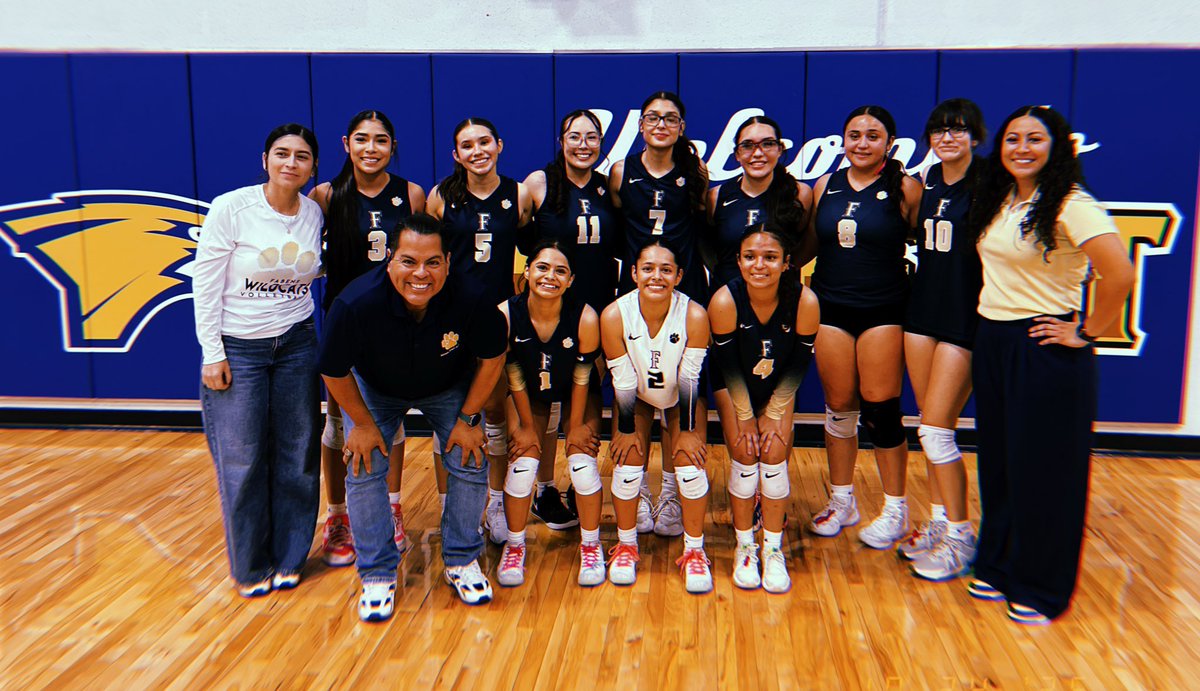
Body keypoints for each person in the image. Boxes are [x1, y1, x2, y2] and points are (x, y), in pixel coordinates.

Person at [965, 105, 1133, 625]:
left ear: (1058, 146)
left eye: (1034, 139)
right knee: (1000, 460)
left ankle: (1042, 587)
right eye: (1013, 138)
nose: (1021, 147)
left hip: (1043, 345)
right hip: (993, 337)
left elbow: (1120, 273)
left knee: (1046, 471)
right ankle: (997, 563)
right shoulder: (1004, 198)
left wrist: (1084, 332)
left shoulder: (1070, 202)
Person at [318, 213, 507, 619]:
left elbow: (493, 359)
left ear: (447, 262)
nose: (420, 274)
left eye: (432, 262)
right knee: (365, 465)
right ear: (389, 259)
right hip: (377, 391)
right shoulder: (356, 303)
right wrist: (363, 425)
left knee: (469, 455)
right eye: (408, 261)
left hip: (446, 387)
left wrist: (470, 418)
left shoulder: (472, 297)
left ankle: (460, 559)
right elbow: (333, 369)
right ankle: (377, 573)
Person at [193, 123, 323, 598]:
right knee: (243, 460)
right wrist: (213, 353)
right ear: (264, 159)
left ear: (313, 167)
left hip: (297, 342)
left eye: (302, 156)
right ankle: (250, 566)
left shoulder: (312, 213)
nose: (291, 163)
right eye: (282, 153)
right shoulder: (232, 208)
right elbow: (204, 284)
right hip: (239, 347)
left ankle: (291, 558)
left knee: (298, 454)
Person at [309, 110, 426, 566]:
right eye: (362, 139)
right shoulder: (325, 195)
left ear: (392, 146)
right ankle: (337, 515)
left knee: (390, 420)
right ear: (346, 144)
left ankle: (392, 507)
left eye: (380, 140)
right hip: (344, 323)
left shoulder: (410, 193)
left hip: (393, 322)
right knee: (340, 423)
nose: (371, 148)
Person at [806, 105, 922, 549]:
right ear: (843, 140)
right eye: (854, 134)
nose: (862, 143)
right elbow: (809, 244)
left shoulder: (905, 188)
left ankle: (895, 508)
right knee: (839, 408)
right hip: (832, 307)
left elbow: (928, 242)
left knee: (881, 410)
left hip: (883, 310)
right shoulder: (824, 186)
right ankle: (842, 500)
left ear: (889, 143)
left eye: (873, 136)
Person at [428, 117, 535, 546]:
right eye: (467, 145)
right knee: (450, 414)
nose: (477, 151)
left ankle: (492, 500)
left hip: (499, 318)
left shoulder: (519, 195)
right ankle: (448, 503)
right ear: (456, 155)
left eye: (484, 142)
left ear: (499, 144)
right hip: (451, 318)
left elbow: (531, 251)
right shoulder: (441, 197)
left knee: (493, 411)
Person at [609, 91, 709, 538]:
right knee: (635, 389)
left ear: (681, 127)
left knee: (679, 394)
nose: (661, 124)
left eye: (671, 118)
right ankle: (642, 490)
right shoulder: (621, 173)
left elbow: (704, 223)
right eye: (653, 117)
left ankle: (671, 489)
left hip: (682, 294)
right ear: (641, 124)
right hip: (638, 292)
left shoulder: (695, 174)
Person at [896, 99, 985, 581]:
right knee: (929, 429)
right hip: (922, 312)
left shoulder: (991, 181)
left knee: (937, 430)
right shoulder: (928, 182)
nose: (948, 137)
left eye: (959, 130)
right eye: (940, 130)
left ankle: (960, 533)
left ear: (976, 135)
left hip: (964, 317)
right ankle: (936, 522)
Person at [521, 108, 618, 531]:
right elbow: (517, 237)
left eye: (591, 137)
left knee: (590, 395)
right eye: (574, 136)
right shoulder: (539, 184)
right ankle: (543, 489)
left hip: (594, 309)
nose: (583, 144)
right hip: (547, 309)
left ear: (600, 142)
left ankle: (581, 482)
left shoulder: (608, 187)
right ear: (561, 141)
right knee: (543, 398)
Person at [709, 225, 819, 593]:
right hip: (734, 384)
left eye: (770, 258)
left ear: (787, 263)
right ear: (738, 262)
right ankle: (745, 547)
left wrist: (774, 411)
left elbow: (799, 362)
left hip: (778, 387)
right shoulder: (724, 301)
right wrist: (745, 416)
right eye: (751, 257)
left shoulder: (804, 301)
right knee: (745, 452)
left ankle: (772, 548)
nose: (760, 265)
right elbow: (726, 367)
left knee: (772, 456)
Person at [601, 240, 710, 592]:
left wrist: (689, 430)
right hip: (638, 397)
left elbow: (689, 378)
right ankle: (627, 545)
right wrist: (628, 428)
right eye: (648, 268)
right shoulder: (615, 314)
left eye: (666, 269)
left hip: (680, 398)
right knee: (628, 463)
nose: (656, 276)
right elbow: (623, 378)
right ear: (633, 273)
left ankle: (694, 552)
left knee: (690, 466)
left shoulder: (694, 314)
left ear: (679, 275)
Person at [496, 239, 606, 588]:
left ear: (571, 280)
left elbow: (583, 376)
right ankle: (514, 547)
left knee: (582, 466)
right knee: (523, 464)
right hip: (528, 392)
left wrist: (575, 427)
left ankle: (591, 545)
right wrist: (526, 426)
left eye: (560, 271)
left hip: (577, 391)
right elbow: (512, 373)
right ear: (527, 272)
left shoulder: (585, 317)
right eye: (542, 267)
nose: (550, 276)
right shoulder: (506, 313)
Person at [705, 115, 812, 292]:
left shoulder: (799, 194)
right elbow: (706, 247)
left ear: (780, 149)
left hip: (781, 298)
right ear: (737, 154)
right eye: (747, 145)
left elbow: (805, 245)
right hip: (726, 300)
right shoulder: (716, 197)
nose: (758, 153)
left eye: (768, 143)